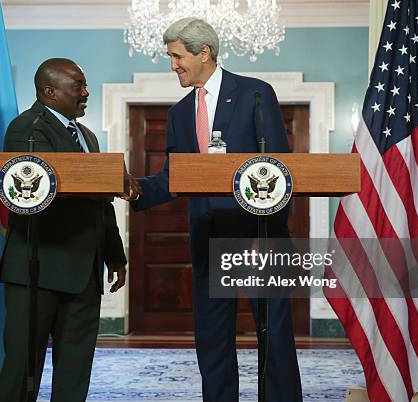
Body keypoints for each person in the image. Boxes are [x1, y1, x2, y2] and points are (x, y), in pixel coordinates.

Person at [126, 18, 302, 402]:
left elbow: (275, 171)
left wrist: (267, 235)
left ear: (203, 52)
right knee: (212, 337)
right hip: (208, 237)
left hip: (260, 238)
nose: (173, 65)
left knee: (274, 334)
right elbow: (175, 177)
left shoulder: (256, 95)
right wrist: (135, 189)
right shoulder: (178, 113)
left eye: (177, 56)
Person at [0, 58, 127, 402]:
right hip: (38, 268)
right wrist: (111, 179)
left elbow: (102, 203)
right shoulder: (26, 129)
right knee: (23, 369)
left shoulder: (87, 136)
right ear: (49, 92)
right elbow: (42, 190)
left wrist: (115, 255)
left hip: (85, 269)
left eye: (85, 86)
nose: (86, 93)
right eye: (78, 86)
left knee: (75, 368)